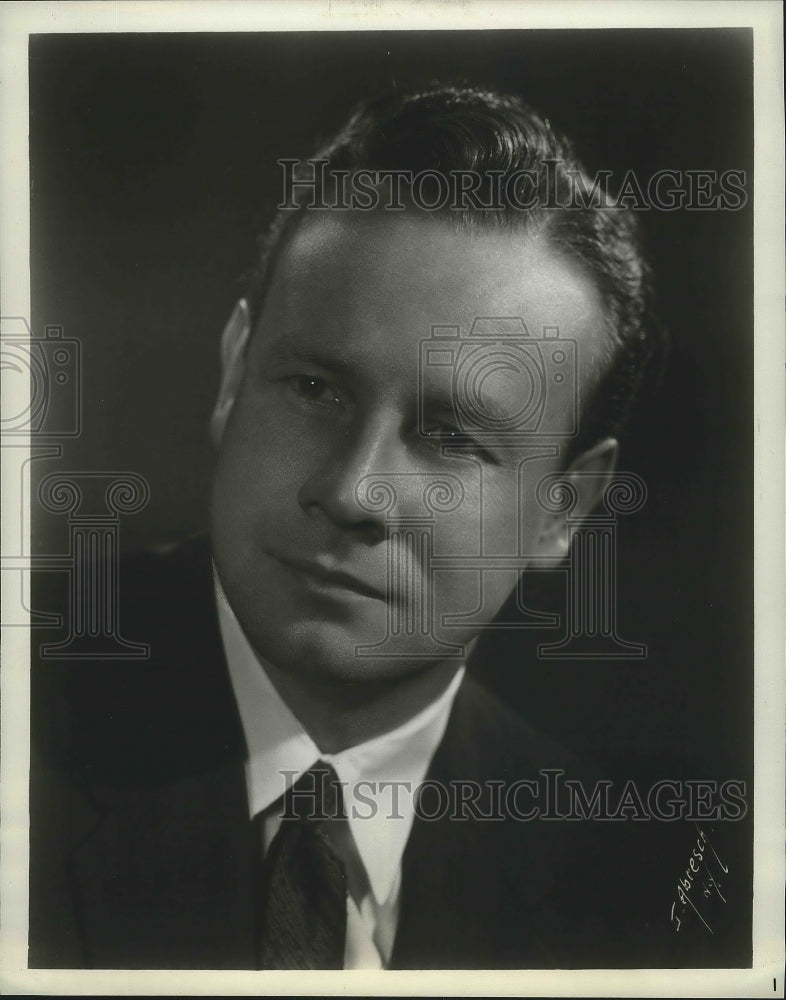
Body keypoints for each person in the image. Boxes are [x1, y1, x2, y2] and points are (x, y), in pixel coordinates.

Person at [31, 84, 729, 971]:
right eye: (316, 390)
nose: (354, 489)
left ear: (566, 508)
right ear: (235, 374)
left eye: (449, 437)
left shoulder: (643, 897)